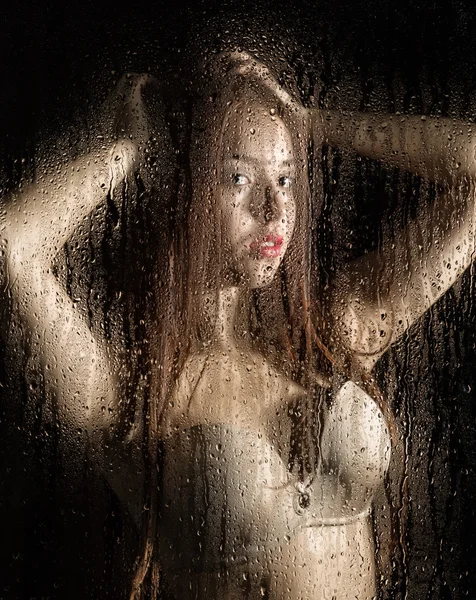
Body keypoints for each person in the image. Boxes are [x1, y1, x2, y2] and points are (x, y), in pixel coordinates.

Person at [2, 50, 474, 599]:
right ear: (184, 186)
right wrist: (131, 152)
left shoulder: (330, 336)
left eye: (287, 179)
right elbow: (14, 242)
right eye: (239, 178)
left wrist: (306, 121)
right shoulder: (132, 393)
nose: (275, 209)